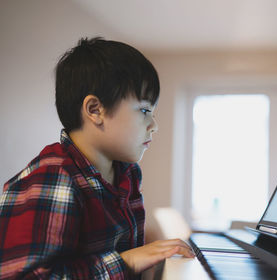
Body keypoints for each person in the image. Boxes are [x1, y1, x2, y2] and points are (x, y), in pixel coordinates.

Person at [0, 37, 194, 279]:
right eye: (145, 110)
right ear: (95, 110)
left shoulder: (127, 172)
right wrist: (128, 261)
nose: (154, 125)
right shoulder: (53, 178)